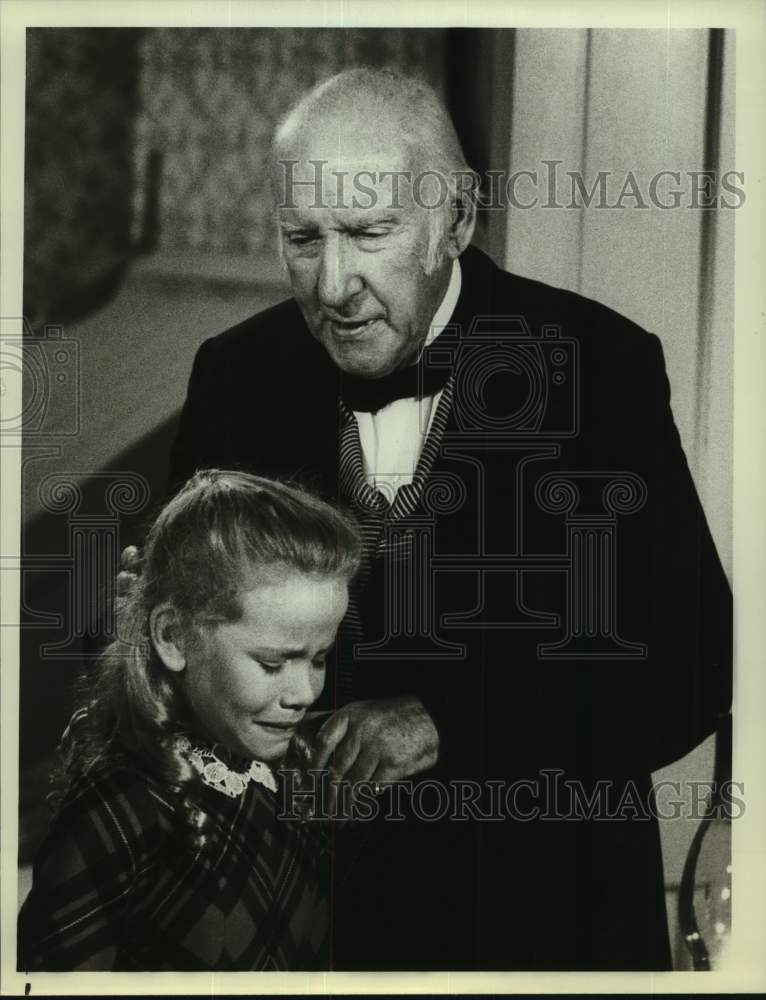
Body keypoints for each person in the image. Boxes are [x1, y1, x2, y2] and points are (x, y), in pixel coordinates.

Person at [167, 69, 732, 970]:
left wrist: (452, 726)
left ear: (455, 223)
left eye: (368, 234)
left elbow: (694, 662)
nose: (334, 284)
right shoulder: (236, 373)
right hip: (301, 935)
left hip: (545, 929)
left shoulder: (601, 364)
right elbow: (169, 650)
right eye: (302, 240)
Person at [17, 470, 360, 971]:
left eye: (320, 658)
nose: (304, 693)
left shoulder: (295, 770)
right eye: (272, 664)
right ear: (174, 637)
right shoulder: (120, 808)